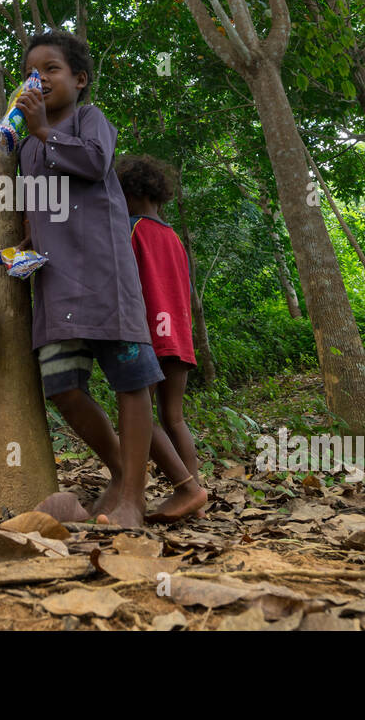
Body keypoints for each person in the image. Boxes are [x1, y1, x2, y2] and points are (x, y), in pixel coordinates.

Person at [14, 30, 175, 529]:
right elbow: (33, 209)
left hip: (104, 274)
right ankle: (123, 472)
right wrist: (20, 251)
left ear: (80, 80)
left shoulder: (90, 121)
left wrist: (44, 130)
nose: (38, 79)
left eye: (51, 69)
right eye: (30, 72)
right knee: (62, 385)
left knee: (131, 382)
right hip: (56, 284)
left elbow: (95, 163)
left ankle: (132, 499)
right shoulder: (22, 150)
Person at [115, 154, 208, 521]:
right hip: (179, 337)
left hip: (148, 334)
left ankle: (183, 487)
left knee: (138, 416)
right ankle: (195, 496)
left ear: (128, 193)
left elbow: (126, 282)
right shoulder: (173, 237)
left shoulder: (131, 229)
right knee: (175, 418)